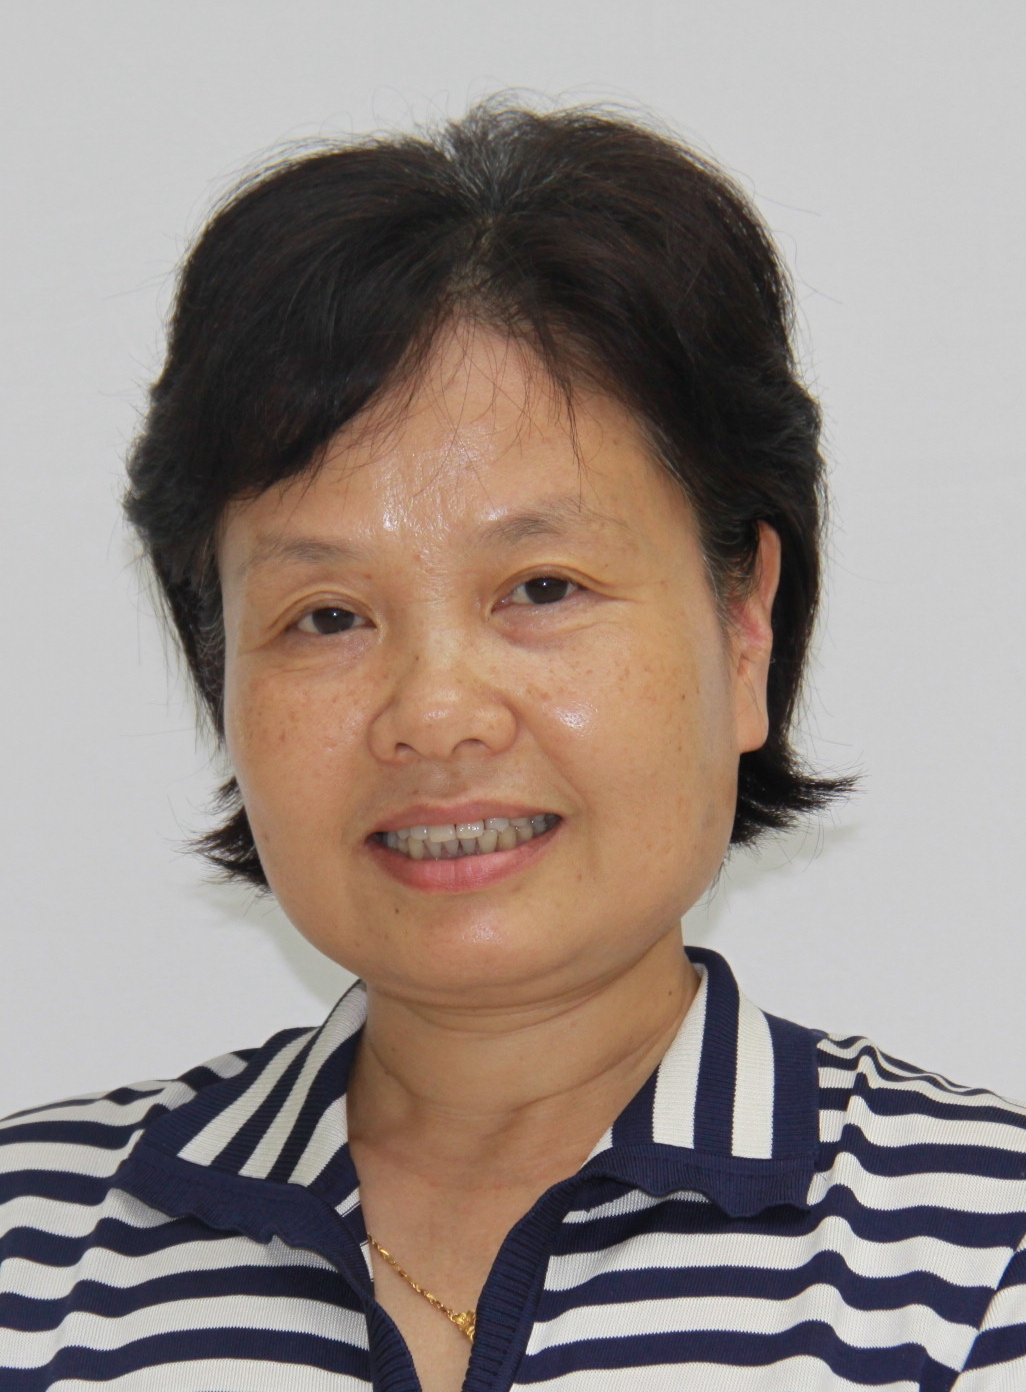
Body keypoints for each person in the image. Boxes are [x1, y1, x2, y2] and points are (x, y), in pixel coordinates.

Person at [1, 96, 1024, 1392]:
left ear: (743, 627)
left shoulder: (981, 1261)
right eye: (327, 615)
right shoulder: (32, 1255)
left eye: (541, 588)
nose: (435, 714)